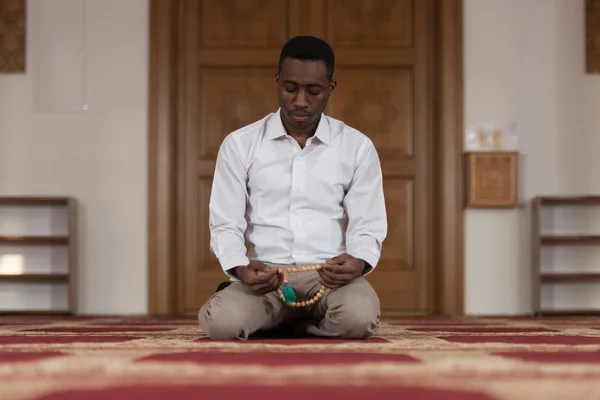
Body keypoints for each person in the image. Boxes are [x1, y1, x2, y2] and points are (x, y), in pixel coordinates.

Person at [198, 35, 387, 340]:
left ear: (331, 87)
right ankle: (282, 319)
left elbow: (368, 224)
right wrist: (241, 268)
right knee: (222, 323)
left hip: (329, 279)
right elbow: (225, 223)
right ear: (277, 81)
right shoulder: (240, 144)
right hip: (267, 278)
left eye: (314, 91)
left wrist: (357, 261)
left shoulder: (357, 146)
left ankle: (292, 326)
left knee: (359, 318)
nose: (300, 101)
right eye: (290, 88)